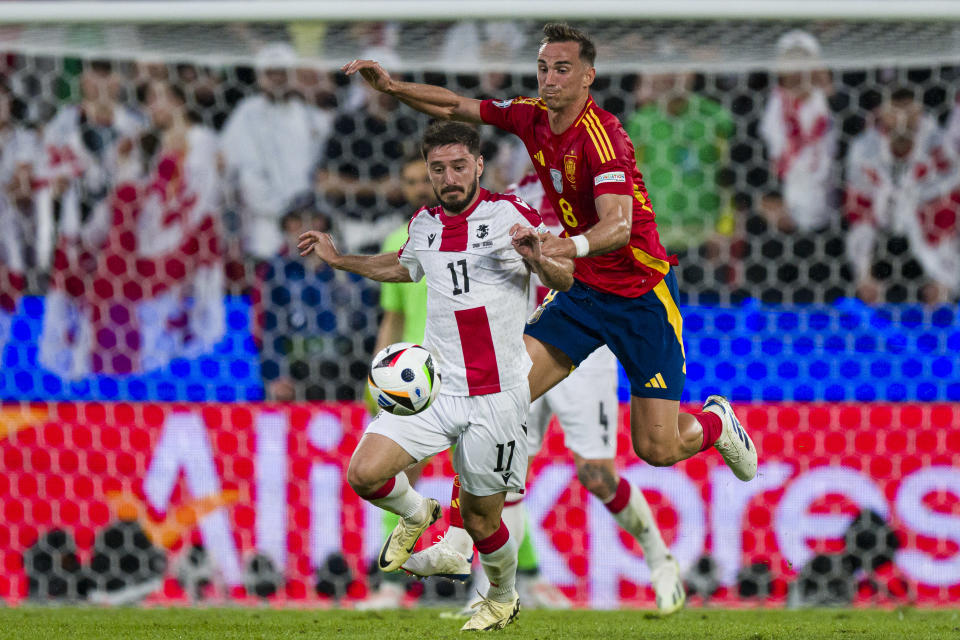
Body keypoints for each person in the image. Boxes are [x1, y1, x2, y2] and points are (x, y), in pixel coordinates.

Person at [343, 23, 756, 490]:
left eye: (562, 69)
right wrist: (394, 86)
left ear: (588, 76)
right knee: (500, 398)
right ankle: (461, 531)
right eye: (543, 68)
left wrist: (566, 245)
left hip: (640, 295)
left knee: (656, 448)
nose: (550, 79)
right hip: (581, 293)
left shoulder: (605, 138)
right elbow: (457, 106)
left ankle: (717, 423)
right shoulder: (531, 116)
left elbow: (618, 227)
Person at [298, 121, 575, 631]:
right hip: (438, 390)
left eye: (458, 166)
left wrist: (540, 261)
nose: (449, 177)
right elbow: (401, 267)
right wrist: (340, 259)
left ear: (478, 166)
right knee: (364, 472)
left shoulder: (510, 215)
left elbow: (565, 276)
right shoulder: (423, 224)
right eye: (438, 168)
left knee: (481, 520)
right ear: (429, 171)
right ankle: (417, 511)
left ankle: (504, 595)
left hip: (497, 396)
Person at [403, 174, 686, 615]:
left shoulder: (603, 193)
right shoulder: (517, 195)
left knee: (597, 475)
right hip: (526, 341)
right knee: (499, 465)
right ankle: (492, 592)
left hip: (587, 341)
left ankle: (659, 558)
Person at [845, 87, 960, 304]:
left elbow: (948, 212)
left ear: (920, 111)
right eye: (895, 111)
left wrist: (944, 281)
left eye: (909, 111)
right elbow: (859, 213)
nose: (902, 119)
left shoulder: (942, 150)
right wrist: (864, 276)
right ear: (881, 112)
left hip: (929, 239)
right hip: (884, 238)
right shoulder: (863, 149)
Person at [221, 43, 333, 260]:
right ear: (259, 75)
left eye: (282, 72)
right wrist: (280, 209)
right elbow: (239, 169)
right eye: (270, 73)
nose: (276, 78)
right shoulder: (245, 113)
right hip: (264, 231)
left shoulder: (311, 116)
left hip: (306, 226)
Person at [759, 29, 836, 234]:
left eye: (804, 58)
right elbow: (751, 155)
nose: (798, 66)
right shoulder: (764, 104)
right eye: (790, 58)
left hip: (830, 212)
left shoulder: (832, 102)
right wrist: (766, 200)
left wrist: (831, 94)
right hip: (778, 214)